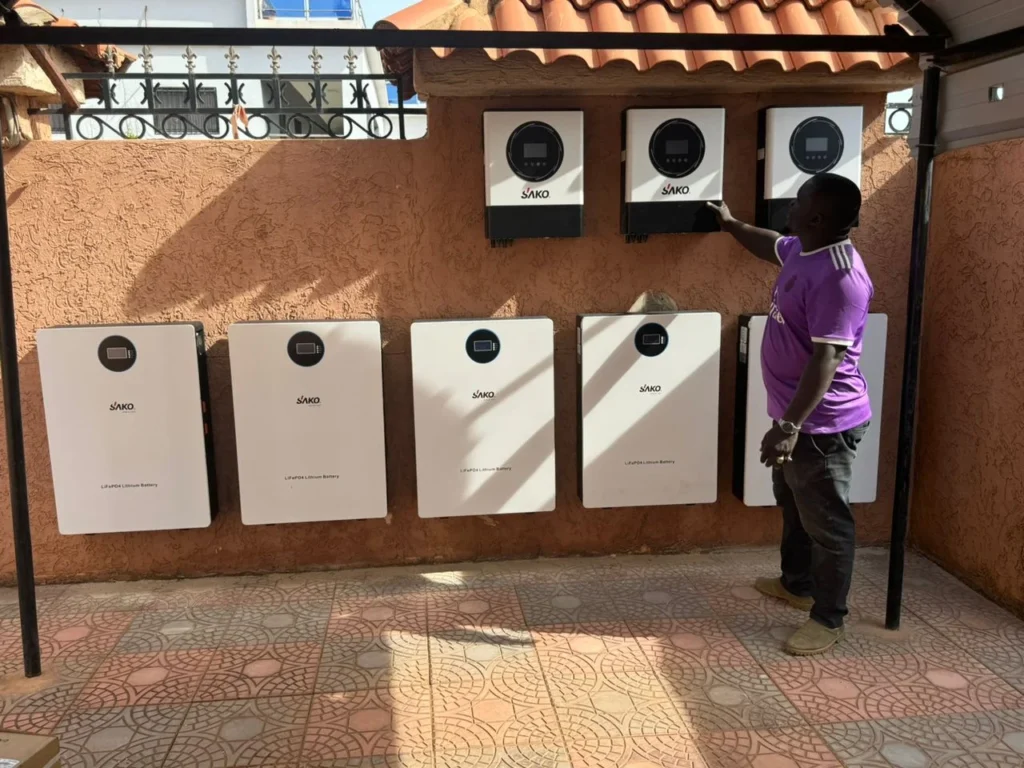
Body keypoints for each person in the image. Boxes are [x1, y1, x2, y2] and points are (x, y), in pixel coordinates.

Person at [708, 173, 873, 656]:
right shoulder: (806, 247)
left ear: (817, 217)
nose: (789, 207)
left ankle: (828, 618)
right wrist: (730, 223)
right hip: (796, 419)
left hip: (822, 426)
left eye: (798, 202)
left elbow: (827, 359)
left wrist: (788, 426)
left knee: (828, 524)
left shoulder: (841, 279)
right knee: (794, 502)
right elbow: (770, 244)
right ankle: (796, 584)